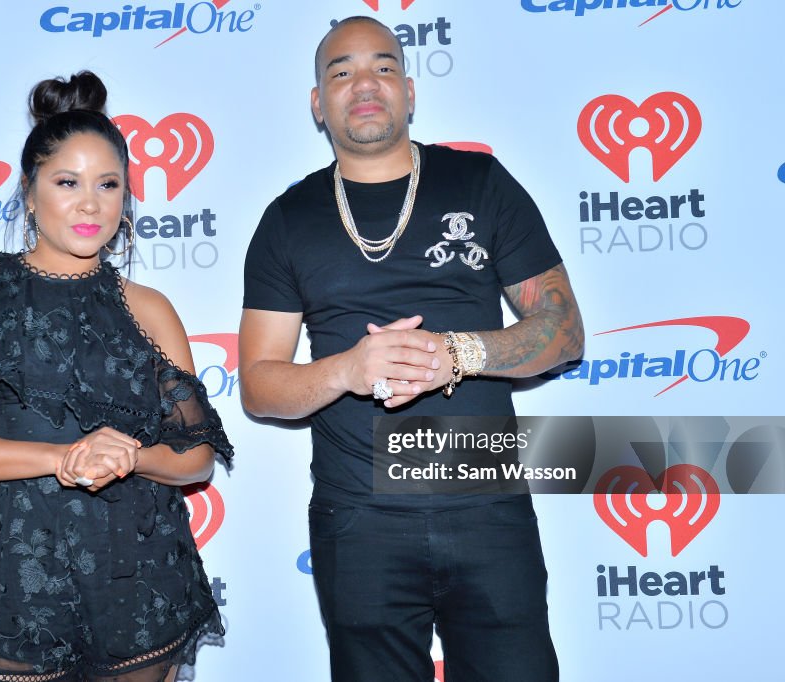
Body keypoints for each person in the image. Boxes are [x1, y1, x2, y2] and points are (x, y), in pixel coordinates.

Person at [239, 16, 583, 682]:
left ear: (411, 91)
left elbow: (564, 331)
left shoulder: (480, 184)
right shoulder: (289, 217)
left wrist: (459, 353)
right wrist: (347, 369)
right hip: (358, 517)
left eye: (383, 67)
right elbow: (258, 382)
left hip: (484, 498)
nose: (363, 84)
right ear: (318, 102)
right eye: (341, 72)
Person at [0, 71, 232, 682]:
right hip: (15, 582)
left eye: (108, 185)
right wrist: (63, 457)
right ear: (29, 192)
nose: (89, 204)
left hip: (140, 582)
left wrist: (130, 455)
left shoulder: (150, 308)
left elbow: (196, 458)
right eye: (67, 182)